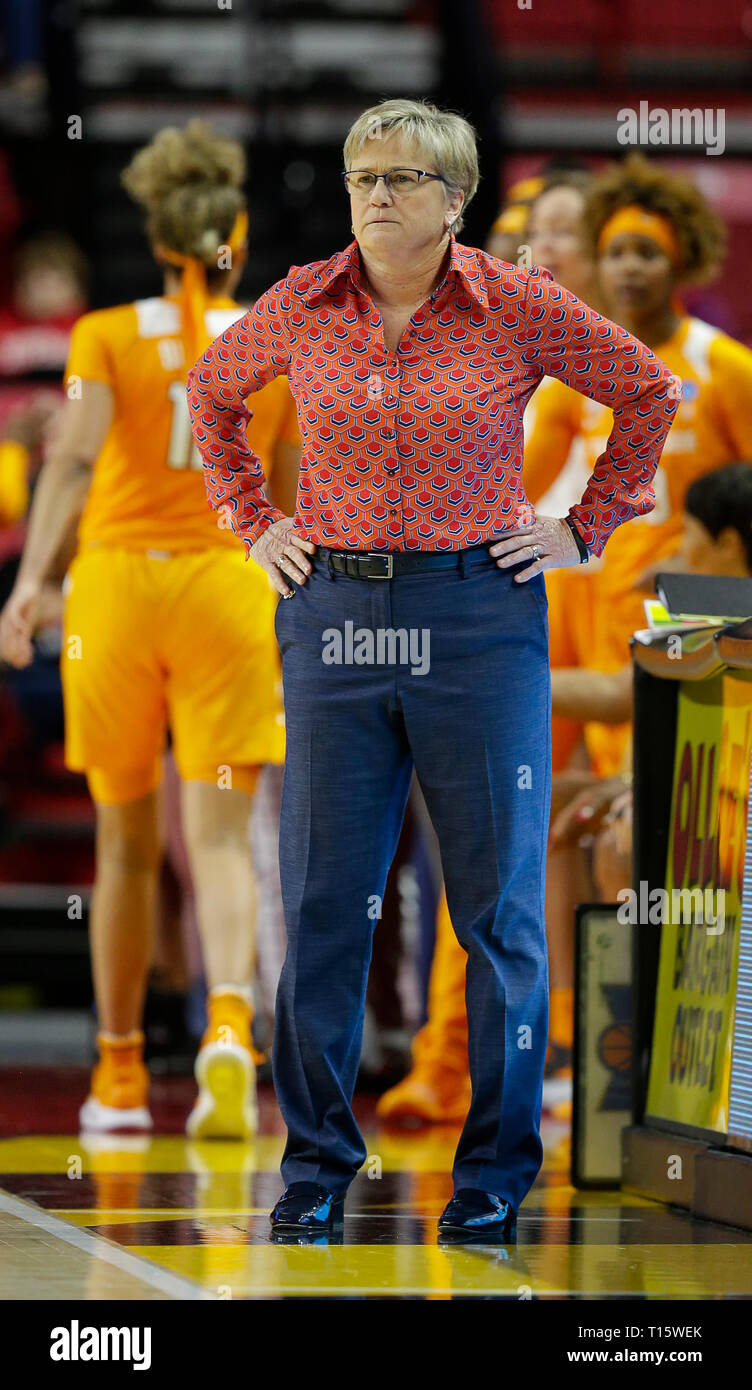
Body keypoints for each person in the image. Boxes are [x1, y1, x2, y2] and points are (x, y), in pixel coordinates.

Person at [188, 97, 677, 1241]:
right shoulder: (301, 301)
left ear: (455, 199)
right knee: (322, 902)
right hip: (332, 611)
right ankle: (315, 1169)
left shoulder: (515, 301)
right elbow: (210, 394)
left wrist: (582, 527)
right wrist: (251, 521)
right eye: (362, 175)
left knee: (497, 910)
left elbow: (649, 391)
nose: (374, 194)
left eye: (401, 178)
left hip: (476, 613)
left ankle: (494, 1176)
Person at [0, 121, 299, 1139]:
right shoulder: (274, 340)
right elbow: (287, 499)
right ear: (232, 243)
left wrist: (31, 582)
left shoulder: (102, 334)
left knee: (125, 844)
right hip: (228, 586)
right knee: (220, 836)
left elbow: (74, 461)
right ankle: (229, 1030)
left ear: (159, 237)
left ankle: (120, 1077)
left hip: (118, 591)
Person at [378, 167, 598, 1127]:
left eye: (565, 230)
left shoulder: (677, 363)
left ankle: (590, 1057)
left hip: (632, 628)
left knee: (611, 850)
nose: (540, 246)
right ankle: (447, 1059)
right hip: (505, 620)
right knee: (478, 853)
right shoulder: (491, 342)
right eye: (527, 229)